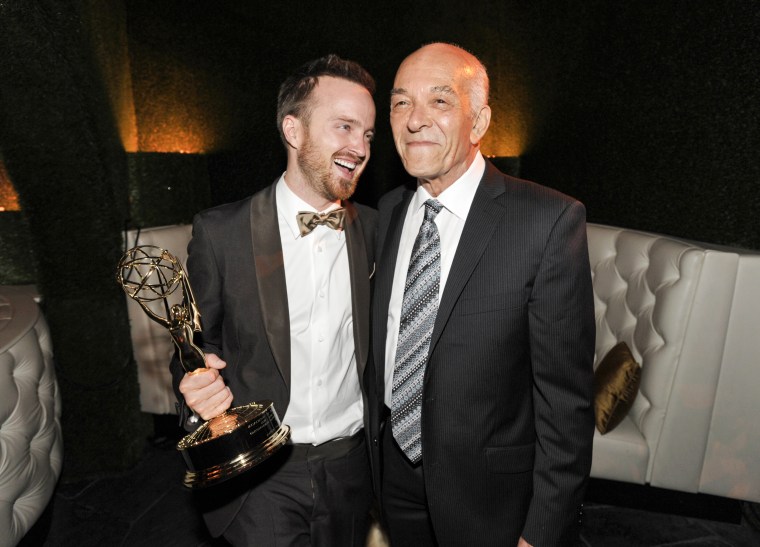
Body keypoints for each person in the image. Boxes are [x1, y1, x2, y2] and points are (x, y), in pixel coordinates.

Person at [369, 42, 596, 546]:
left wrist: (542, 533)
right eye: (401, 102)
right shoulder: (385, 214)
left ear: (479, 122)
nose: (414, 120)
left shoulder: (547, 221)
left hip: (492, 501)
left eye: (440, 101)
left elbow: (566, 405)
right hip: (394, 481)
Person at [170, 54, 377, 546]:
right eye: (344, 127)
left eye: (368, 135)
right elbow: (193, 345)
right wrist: (196, 391)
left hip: (353, 470)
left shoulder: (377, 226)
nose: (360, 147)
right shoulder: (220, 232)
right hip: (260, 473)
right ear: (294, 130)